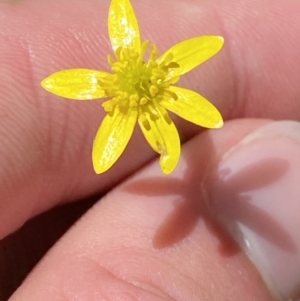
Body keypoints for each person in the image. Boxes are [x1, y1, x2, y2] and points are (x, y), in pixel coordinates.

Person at [0, 0, 300, 300]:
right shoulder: (113, 120)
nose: (137, 82)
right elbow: (105, 157)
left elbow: (206, 112)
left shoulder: (175, 84)